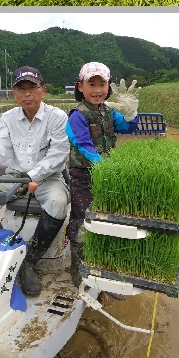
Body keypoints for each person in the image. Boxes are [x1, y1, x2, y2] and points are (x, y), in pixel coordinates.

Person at [0, 66, 70, 297]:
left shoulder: (58, 117)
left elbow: (58, 155)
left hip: (48, 178)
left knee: (58, 203)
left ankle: (28, 261)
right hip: (14, 175)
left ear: (43, 91)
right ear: (14, 93)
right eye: (22, 89)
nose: (27, 94)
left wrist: (32, 177)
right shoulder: (8, 118)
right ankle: (6, 252)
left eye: (32, 88)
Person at [64, 62, 141, 283]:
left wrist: (131, 113)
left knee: (107, 219)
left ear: (108, 87)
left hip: (105, 175)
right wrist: (103, 164)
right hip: (83, 176)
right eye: (92, 84)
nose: (97, 90)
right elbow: (83, 145)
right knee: (83, 220)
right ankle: (78, 269)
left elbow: (128, 128)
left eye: (102, 84)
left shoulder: (109, 112)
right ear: (80, 87)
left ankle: (103, 269)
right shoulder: (77, 115)